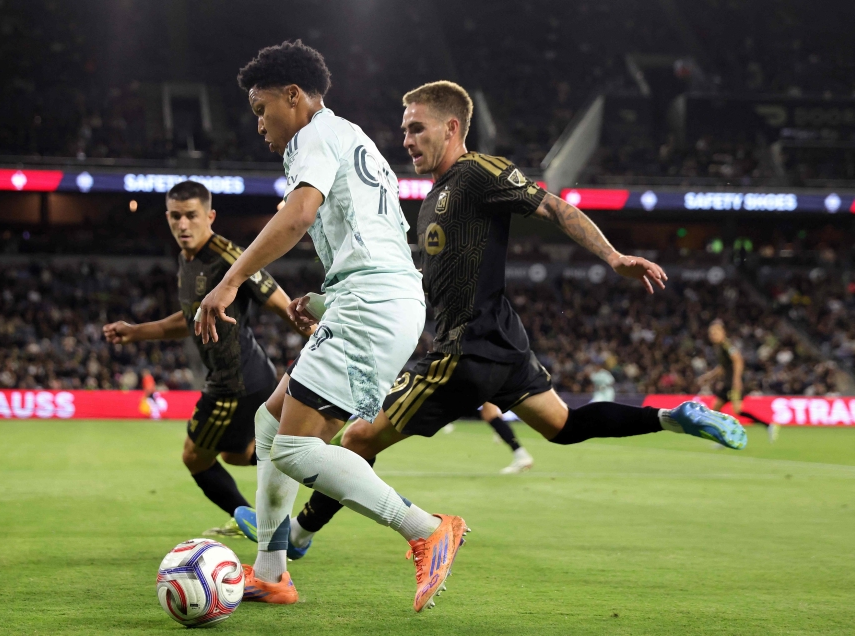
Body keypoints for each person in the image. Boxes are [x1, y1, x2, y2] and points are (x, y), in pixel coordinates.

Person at [236, 81, 747, 558]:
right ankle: (670, 418)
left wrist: (612, 257)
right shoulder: (433, 199)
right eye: (405, 129)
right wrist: (328, 301)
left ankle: (300, 536)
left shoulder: (477, 172)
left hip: (464, 351)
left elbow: (552, 207)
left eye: (418, 128)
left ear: (452, 128)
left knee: (356, 438)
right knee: (563, 426)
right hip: (505, 345)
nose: (407, 139)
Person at [195, 41, 468, 613]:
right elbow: (371, 237)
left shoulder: (314, 134)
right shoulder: (352, 136)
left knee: (295, 447)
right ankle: (271, 573)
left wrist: (227, 282)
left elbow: (298, 214)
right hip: (371, 298)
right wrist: (326, 299)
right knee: (270, 428)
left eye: (261, 108)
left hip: (373, 304)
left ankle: (425, 528)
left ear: (293, 96)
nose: (260, 124)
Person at [103, 180, 309, 537]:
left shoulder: (228, 255)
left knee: (195, 457)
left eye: (191, 216)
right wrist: (137, 331)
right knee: (234, 453)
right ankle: (308, 449)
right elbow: (188, 321)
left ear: (209, 216)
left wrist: (317, 338)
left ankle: (259, 516)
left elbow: (280, 302)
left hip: (235, 380)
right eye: (176, 216)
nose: (183, 225)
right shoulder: (187, 261)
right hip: (241, 375)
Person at [699, 319, 780, 442]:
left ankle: (768, 425)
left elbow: (738, 360)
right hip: (727, 384)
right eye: (711, 333)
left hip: (733, 383)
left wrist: (736, 380)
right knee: (715, 410)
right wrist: (709, 376)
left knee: (737, 410)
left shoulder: (727, 345)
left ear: (723, 332)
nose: (713, 336)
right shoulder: (719, 347)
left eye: (715, 332)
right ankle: (724, 436)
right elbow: (722, 367)